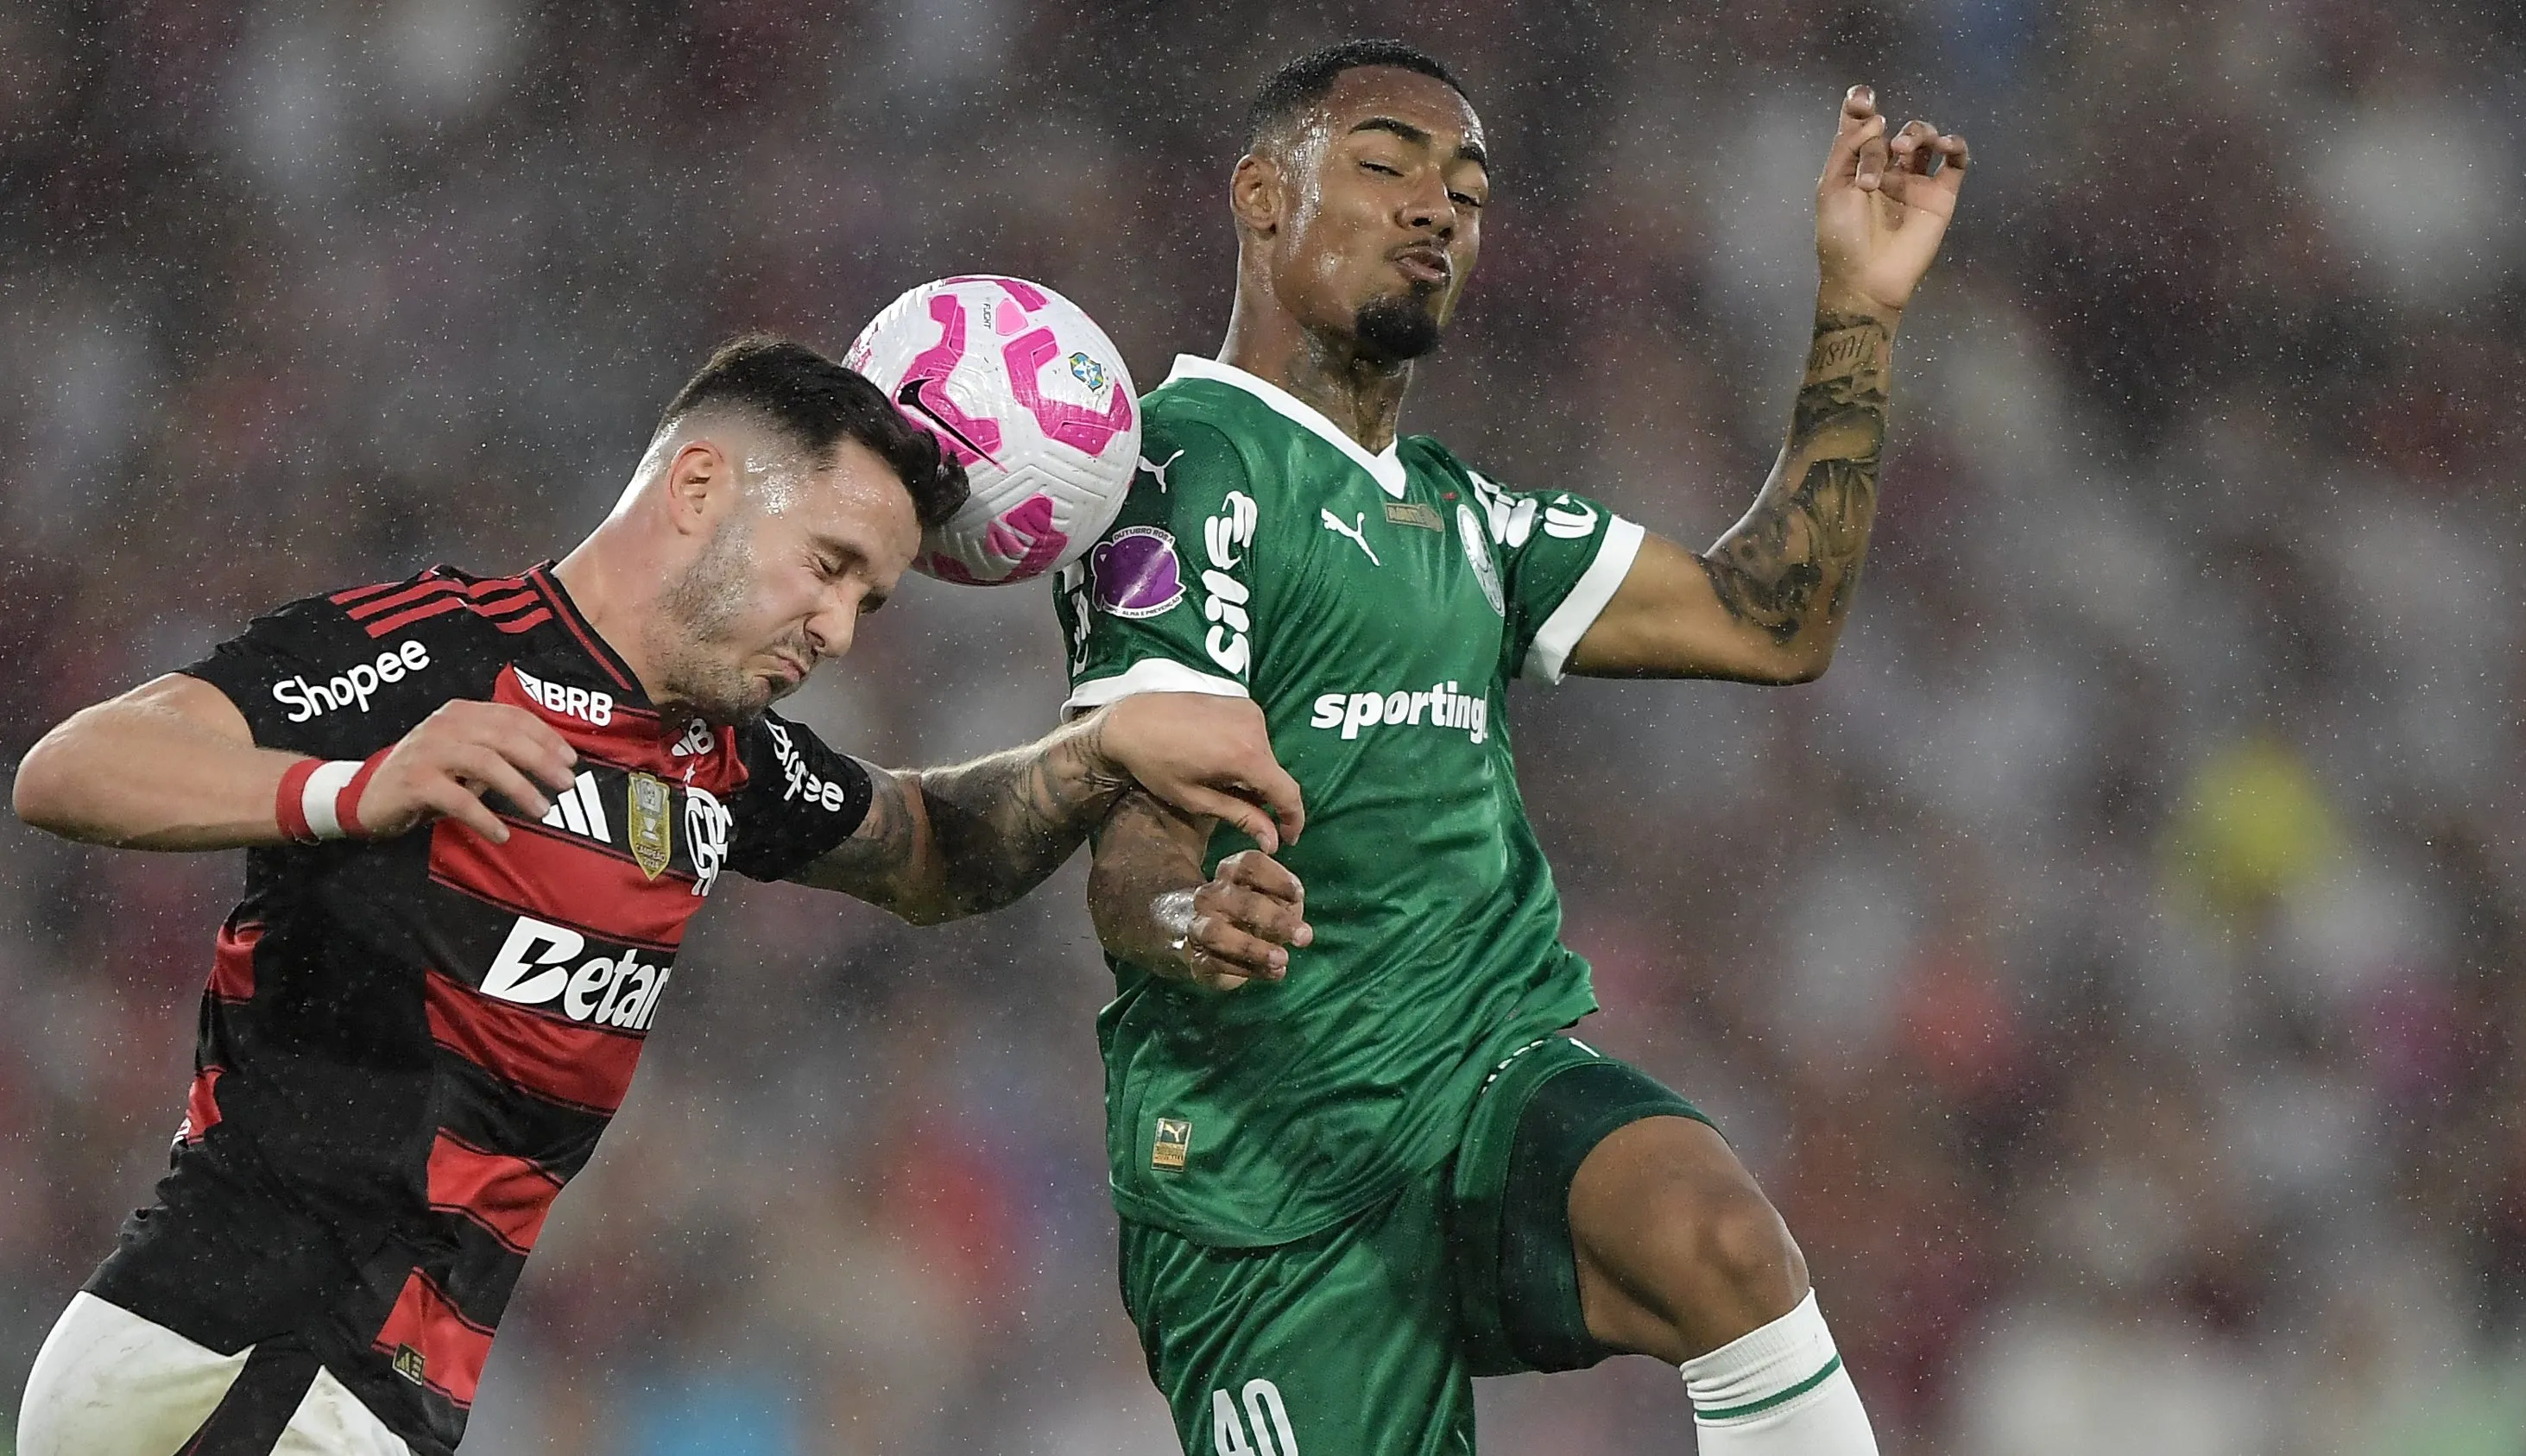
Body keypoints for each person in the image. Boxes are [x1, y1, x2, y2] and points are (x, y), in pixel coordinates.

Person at [8, 335, 1303, 1456]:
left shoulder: (716, 755)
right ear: (698, 487)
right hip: (233, 1349)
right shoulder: (447, 645)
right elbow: (74, 767)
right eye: (829, 562)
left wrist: (1101, 752)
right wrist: (354, 788)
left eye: (869, 596)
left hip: (362, 1389)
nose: (841, 628)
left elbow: (930, 850)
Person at [1055, 41, 1966, 1455]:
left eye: (1466, 190)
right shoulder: (1183, 470)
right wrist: (1190, 913)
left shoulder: (1465, 515)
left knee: (1719, 1238)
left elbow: (1773, 618)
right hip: (1264, 1173)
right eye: (1385, 165)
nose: (1435, 208)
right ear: (1258, 194)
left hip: (1478, 1081)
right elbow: (1133, 856)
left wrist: (1857, 301)